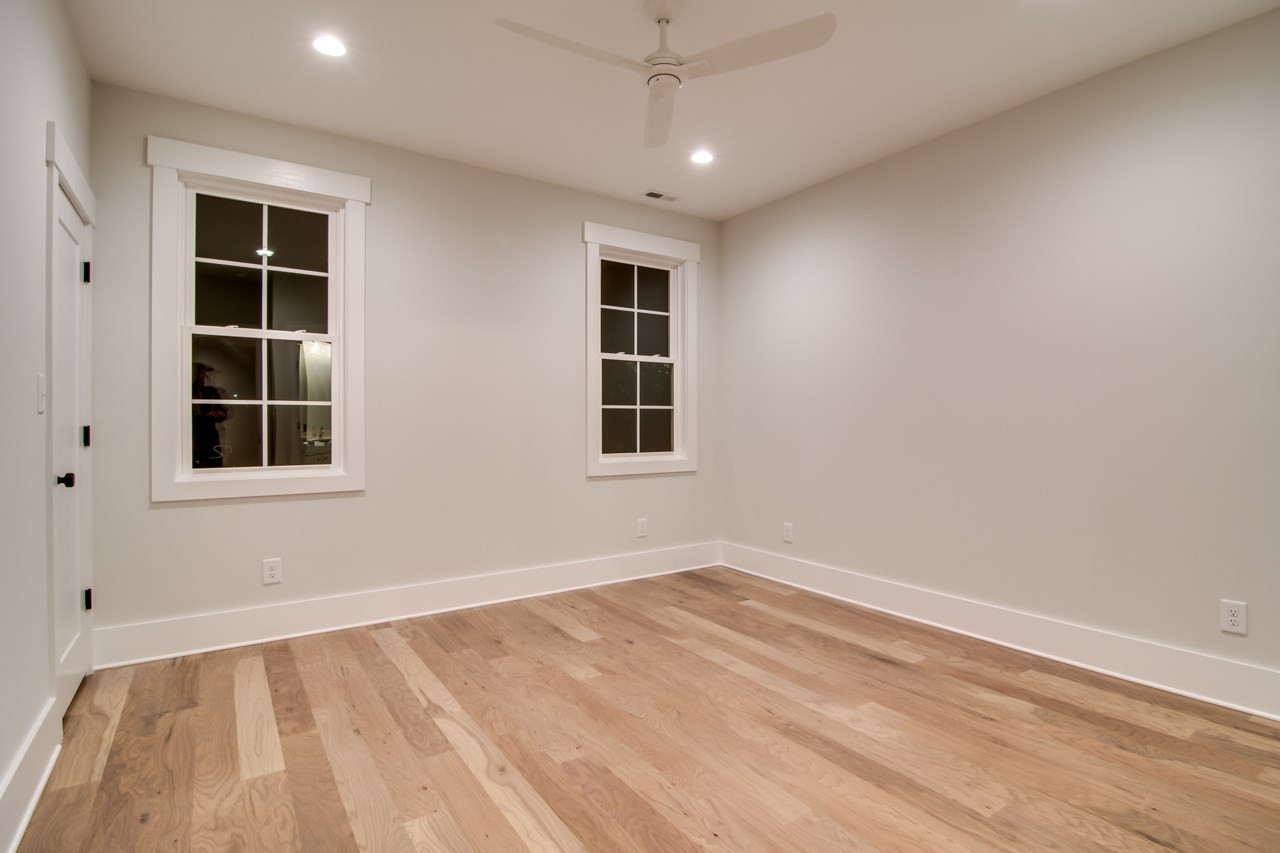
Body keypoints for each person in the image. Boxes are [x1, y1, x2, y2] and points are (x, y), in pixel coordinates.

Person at [192, 362, 228, 467]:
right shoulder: (190, 390)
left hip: (210, 432)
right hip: (196, 432)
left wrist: (218, 414)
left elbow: (223, 411)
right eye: (205, 374)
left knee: (214, 461)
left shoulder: (213, 391)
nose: (209, 377)